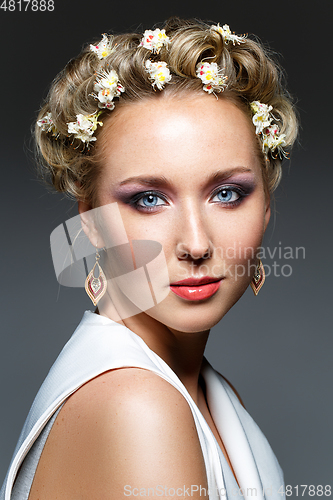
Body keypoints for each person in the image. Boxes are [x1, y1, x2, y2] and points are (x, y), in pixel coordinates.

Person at [1, 17, 297, 500]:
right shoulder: (137, 406)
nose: (196, 244)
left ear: (266, 206)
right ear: (91, 222)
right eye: (148, 199)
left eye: (226, 193)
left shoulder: (204, 391)